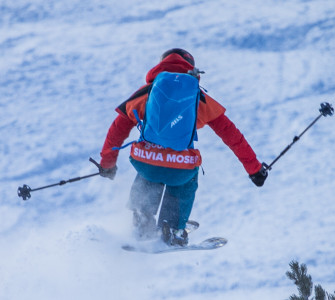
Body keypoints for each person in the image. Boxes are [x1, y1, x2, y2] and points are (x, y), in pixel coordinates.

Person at [97, 48, 268, 246]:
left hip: (146, 163)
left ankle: (141, 219)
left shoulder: (148, 93)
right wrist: (254, 170)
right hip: (180, 167)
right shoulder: (197, 97)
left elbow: (117, 129)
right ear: (191, 68)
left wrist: (107, 164)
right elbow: (232, 136)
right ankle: (173, 228)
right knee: (185, 177)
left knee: (149, 168)